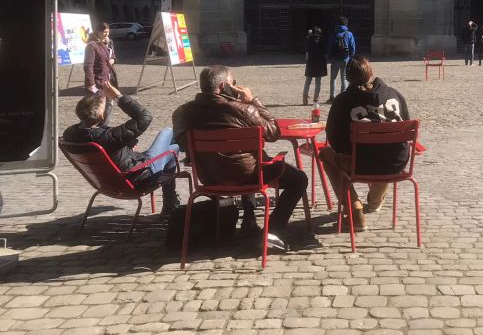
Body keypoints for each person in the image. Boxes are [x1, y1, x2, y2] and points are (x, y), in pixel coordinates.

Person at [172, 65, 308, 252]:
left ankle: (245, 221)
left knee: (244, 161)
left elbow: (182, 143)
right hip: (249, 176)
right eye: (233, 84)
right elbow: (274, 132)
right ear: (224, 85)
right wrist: (253, 101)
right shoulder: (245, 110)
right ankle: (273, 231)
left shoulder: (182, 113)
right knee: (299, 179)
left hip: (210, 176)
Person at [319, 56, 412, 232]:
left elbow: (334, 138)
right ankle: (376, 200)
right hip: (396, 163)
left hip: (359, 164)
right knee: (387, 153)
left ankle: (354, 209)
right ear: (371, 73)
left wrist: (344, 150)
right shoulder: (395, 94)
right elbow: (405, 126)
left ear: (347, 77)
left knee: (326, 154)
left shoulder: (343, 101)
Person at [63, 82, 181, 214]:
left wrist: (124, 147)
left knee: (172, 147)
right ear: (102, 116)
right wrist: (118, 97)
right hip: (137, 177)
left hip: (107, 183)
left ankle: (171, 203)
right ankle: (170, 202)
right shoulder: (109, 137)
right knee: (170, 138)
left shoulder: (70, 135)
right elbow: (145, 117)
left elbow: (106, 144)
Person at [83, 23, 119, 123]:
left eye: (108, 32)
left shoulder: (109, 42)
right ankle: (86, 127)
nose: (107, 34)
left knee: (109, 103)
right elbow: (88, 66)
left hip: (107, 80)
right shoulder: (92, 46)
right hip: (96, 81)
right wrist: (91, 84)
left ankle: (105, 126)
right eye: (104, 32)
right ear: (98, 32)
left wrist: (113, 60)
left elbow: (113, 56)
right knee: (95, 106)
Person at [326, 17, 356, 102]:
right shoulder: (349, 34)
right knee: (344, 78)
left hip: (335, 59)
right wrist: (351, 56)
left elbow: (329, 47)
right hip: (345, 59)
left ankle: (332, 96)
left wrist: (330, 57)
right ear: (346, 24)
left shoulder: (333, 34)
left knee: (333, 79)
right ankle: (343, 97)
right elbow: (352, 47)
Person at [303, 26, 327, 105]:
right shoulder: (323, 39)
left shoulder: (308, 39)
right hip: (320, 62)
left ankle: (305, 99)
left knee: (308, 81)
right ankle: (315, 100)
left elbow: (306, 50)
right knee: (318, 82)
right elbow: (325, 51)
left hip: (311, 61)